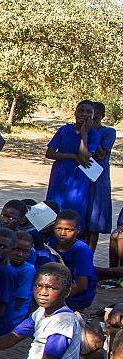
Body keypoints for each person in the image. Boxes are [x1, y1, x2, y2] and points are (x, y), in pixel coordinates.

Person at [45, 101, 100, 232]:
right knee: (53, 209)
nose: (84, 114)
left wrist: (84, 133)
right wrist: (72, 156)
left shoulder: (94, 135)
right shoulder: (64, 130)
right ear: (75, 113)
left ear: (93, 116)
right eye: (81, 111)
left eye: (88, 112)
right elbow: (50, 153)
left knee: (74, 211)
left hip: (78, 179)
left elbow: (84, 157)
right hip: (59, 175)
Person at [48, 210, 96, 312]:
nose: (62, 233)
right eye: (58, 228)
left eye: (68, 230)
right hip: (56, 288)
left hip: (77, 296)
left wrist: (55, 298)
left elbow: (81, 285)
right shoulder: (51, 244)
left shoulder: (81, 250)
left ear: (78, 230)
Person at [87, 101, 114, 250]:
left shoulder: (108, 132)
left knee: (94, 219)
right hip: (82, 176)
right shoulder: (82, 130)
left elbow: (100, 155)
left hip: (98, 177)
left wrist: (94, 132)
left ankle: (89, 255)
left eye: (95, 113)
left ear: (101, 116)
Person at [10, 230, 38, 329]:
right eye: (16, 249)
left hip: (14, 314)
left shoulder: (27, 270)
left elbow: (19, 300)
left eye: (25, 252)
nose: (20, 254)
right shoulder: (4, 263)